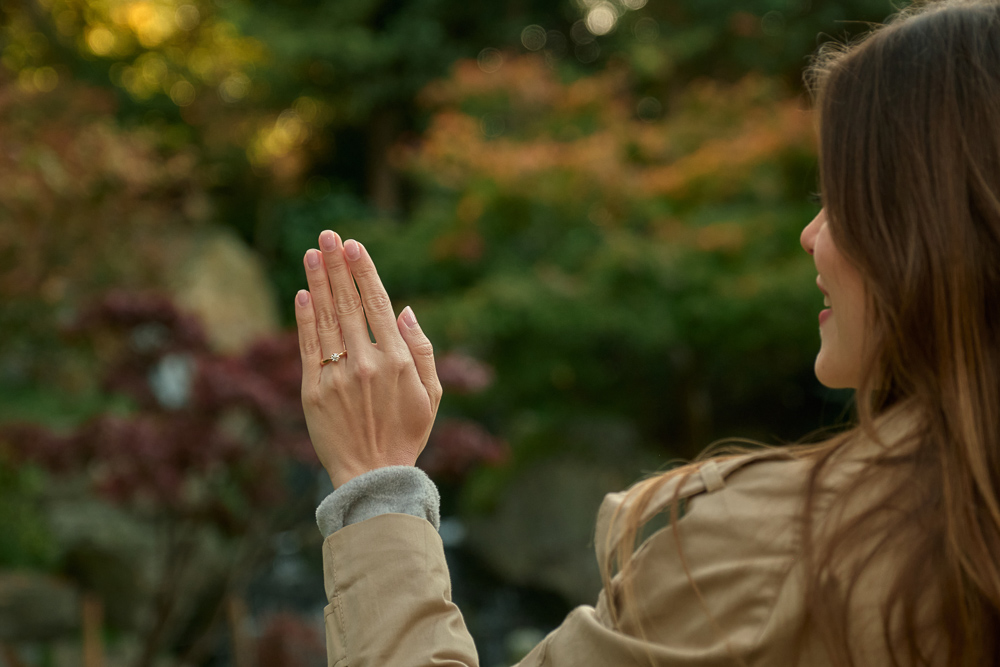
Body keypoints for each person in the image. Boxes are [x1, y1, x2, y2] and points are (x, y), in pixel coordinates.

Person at [292, 0, 1000, 664]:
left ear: (937, 230)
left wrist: (375, 480)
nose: (812, 234)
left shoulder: (787, 551)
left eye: (843, 200)